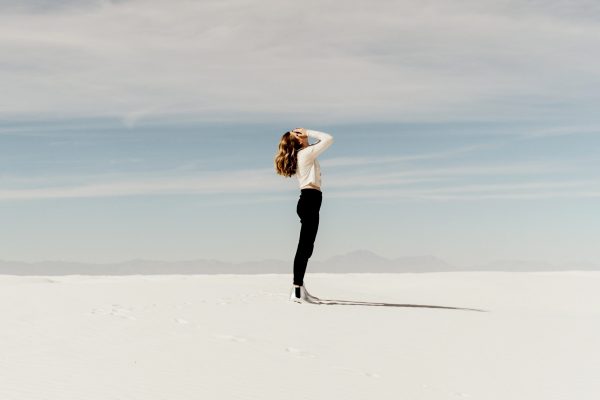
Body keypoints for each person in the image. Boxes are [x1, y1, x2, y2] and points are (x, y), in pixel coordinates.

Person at [274, 127, 334, 303]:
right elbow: (329, 138)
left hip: (309, 201)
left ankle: (300, 289)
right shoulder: (305, 154)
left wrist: (306, 136)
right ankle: (297, 291)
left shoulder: (304, 153)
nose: (302, 133)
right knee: (304, 248)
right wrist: (308, 131)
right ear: (298, 140)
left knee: (307, 248)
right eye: (298, 133)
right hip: (309, 200)